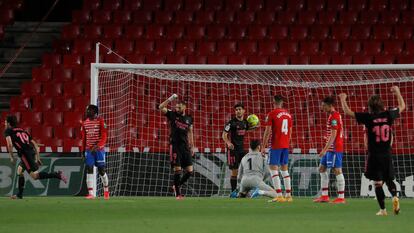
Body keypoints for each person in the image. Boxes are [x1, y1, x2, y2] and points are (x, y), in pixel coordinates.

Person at [339, 86, 404, 216]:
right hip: (387, 154)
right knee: (389, 180)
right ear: (382, 105)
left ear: (370, 106)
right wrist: (397, 91)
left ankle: (383, 210)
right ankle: (395, 197)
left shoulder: (368, 118)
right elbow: (402, 106)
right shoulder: (388, 115)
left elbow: (348, 112)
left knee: (378, 183)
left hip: (374, 155)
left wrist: (343, 99)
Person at [4, 115, 67, 199]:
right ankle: (19, 194)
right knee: (20, 170)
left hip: (25, 155)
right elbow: (35, 144)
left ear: (8, 123)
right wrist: (38, 157)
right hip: (30, 152)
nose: (4, 124)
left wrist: (11, 157)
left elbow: (9, 144)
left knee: (35, 176)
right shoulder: (23, 130)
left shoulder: (8, 131)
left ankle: (57, 175)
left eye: (5, 122)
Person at [159, 94, 194, 200]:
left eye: (179, 107)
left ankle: (176, 185)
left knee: (189, 171)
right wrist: (170, 99)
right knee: (177, 170)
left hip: (185, 147)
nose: (177, 108)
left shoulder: (189, 119)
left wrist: (192, 146)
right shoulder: (172, 115)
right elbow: (160, 107)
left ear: (184, 107)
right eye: (176, 107)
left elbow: (190, 132)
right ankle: (178, 194)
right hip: (175, 146)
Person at [313, 96, 346, 204]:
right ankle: (324, 196)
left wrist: (324, 149)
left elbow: (333, 135)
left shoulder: (334, 117)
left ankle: (341, 197)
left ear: (330, 105)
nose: (322, 107)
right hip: (330, 148)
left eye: (324, 106)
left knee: (337, 170)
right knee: (322, 169)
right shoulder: (332, 116)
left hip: (335, 148)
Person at [262, 95, 293, 202]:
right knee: (285, 170)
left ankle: (279, 196)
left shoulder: (272, 114)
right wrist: (287, 143)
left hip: (275, 145)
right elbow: (290, 131)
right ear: (282, 102)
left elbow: (267, 131)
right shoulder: (288, 115)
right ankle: (288, 196)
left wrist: (263, 146)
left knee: (273, 169)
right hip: (285, 145)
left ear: (273, 102)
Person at [222, 103, 258, 196]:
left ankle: (245, 192)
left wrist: (255, 127)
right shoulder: (231, 123)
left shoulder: (245, 122)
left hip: (242, 150)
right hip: (233, 150)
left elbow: (246, 130)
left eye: (239, 109)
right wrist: (228, 143)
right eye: (236, 110)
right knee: (235, 172)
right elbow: (224, 134)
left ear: (243, 111)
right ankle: (233, 192)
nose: (238, 111)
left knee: (247, 171)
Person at [81, 104, 109, 200]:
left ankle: (106, 189)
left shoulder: (100, 121)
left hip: (99, 150)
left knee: (101, 170)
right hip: (89, 150)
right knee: (89, 168)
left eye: (89, 110)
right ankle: (91, 193)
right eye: (86, 110)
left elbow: (104, 136)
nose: (87, 112)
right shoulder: (84, 123)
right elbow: (84, 138)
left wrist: (98, 146)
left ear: (94, 111)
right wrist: (83, 151)